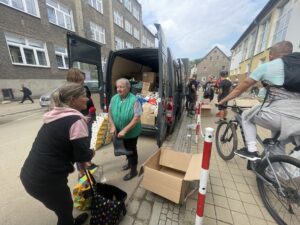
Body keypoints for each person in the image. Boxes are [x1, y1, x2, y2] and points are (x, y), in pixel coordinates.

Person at [20, 83, 95, 225]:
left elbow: (64, 146)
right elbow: (82, 156)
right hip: (47, 181)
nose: (87, 98)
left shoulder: (54, 116)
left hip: (29, 176)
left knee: (61, 207)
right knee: (65, 211)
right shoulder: (76, 121)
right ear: (73, 100)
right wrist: (91, 152)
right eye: (84, 96)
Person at [218, 41, 300, 160]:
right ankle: (272, 175)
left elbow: (241, 88)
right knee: (277, 144)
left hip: (279, 116)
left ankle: (251, 150)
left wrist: (222, 101)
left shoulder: (267, 66)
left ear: (271, 54)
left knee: (246, 115)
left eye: (269, 55)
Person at [108, 78, 142, 181]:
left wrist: (125, 130)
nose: (118, 89)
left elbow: (136, 118)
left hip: (131, 132)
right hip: (118, 131)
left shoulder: (135, 100)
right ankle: (128, 164)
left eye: (121, 87)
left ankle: (133, 171)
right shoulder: (114, 98)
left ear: (128, 87)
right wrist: (113, 126)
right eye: (117, 87)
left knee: (131, 151)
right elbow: (109, 113)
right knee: (124, 148)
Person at [66, 68, 97, 177]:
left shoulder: (85, 88)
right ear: (73, 79)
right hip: (79, 118)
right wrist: (81, 117)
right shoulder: (68, 92)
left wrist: (92, 112)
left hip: (89, 114)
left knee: (88, 138)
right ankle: (81, 171)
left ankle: (87, 160)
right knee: (79, 143)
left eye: (83, 80)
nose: (82, 82)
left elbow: (89, 99)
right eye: (80, 80)